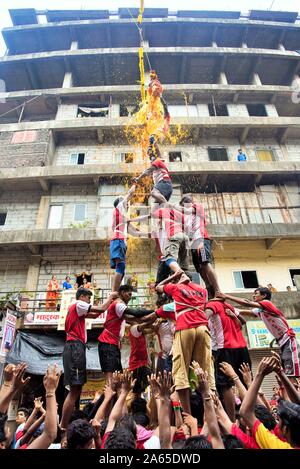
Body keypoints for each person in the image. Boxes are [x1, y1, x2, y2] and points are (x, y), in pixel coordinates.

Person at [156, 271, 215, 413]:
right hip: (202, 328)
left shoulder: (176, 287)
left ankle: (187, 415)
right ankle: (211, 413)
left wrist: (173, 277)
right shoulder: (203, 290)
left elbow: (158, 287)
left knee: (180, 371)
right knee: (205, 370)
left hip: (185, 327)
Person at [60, 288, 118, 430]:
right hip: (75, 348)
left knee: (77, 388)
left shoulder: (78, 309)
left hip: (75, 347)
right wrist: (110, 297)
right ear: (83, 297)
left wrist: (108, 306)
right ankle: (63, 426)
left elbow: (94, 315)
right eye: (88, 298)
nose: (89, 301)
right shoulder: (78, 304)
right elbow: (101, 308)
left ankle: (66, 424)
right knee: (74, 390)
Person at [218, 287, 300, 377]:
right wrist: (225, 306)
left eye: (256, 293)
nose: (253, 295)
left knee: (291, 373)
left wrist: (226, 296)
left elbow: (247, 303)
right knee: (286, 372)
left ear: (264, 295)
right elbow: (241, 311)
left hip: (288, 340)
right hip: (282, 342)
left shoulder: (267, 303)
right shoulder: (260, 310)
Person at [204, 299, 251, 421]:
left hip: (225, 348)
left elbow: (204, 318)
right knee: (246, 382)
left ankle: (231, 420)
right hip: (242, 348)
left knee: (225, 385)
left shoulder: (211, 305)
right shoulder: (229, 305)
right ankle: (250, 418)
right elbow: (243, 322)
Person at [98, 285, 154, 382]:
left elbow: (136, 319)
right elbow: (136, 313)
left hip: (112, 344)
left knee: (116, 380)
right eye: (129, 294)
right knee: (111, 380)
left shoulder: (120, 308)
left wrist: (153, 318)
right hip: (108, 343)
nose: (130, 296)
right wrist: (156, 312)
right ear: (123, 293)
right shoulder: (118, 304)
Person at [179, 195, 221, 296]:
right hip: (193, 243)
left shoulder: (197, 206)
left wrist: (172, 206)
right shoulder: (186, 218)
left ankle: (217, 290)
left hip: (201, 239)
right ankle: (209, 287)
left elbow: (189, 210)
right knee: (199, 267)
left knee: (205, 262)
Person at [110, 184, 137, 292]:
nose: (128, 204)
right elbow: (130, 193)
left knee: (121, 268)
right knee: (120, 267)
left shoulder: (120, 216)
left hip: (120, 241)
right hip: (118, 240)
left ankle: (116, 292)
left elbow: (132, 230)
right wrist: (135, 183)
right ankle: (114, 293)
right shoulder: (119, 208)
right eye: (125, 202)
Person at [134, 136, 173, 204]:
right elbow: (158, 151)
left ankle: (168, 206)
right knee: (154, 210)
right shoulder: (159, 160)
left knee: (153, 193)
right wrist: (152, 143)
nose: (150, 156)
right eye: (149, 155)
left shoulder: (157, 161)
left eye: (151, 155)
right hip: (165, 188)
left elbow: (147, 172)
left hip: (164, 183)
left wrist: (138, 178)